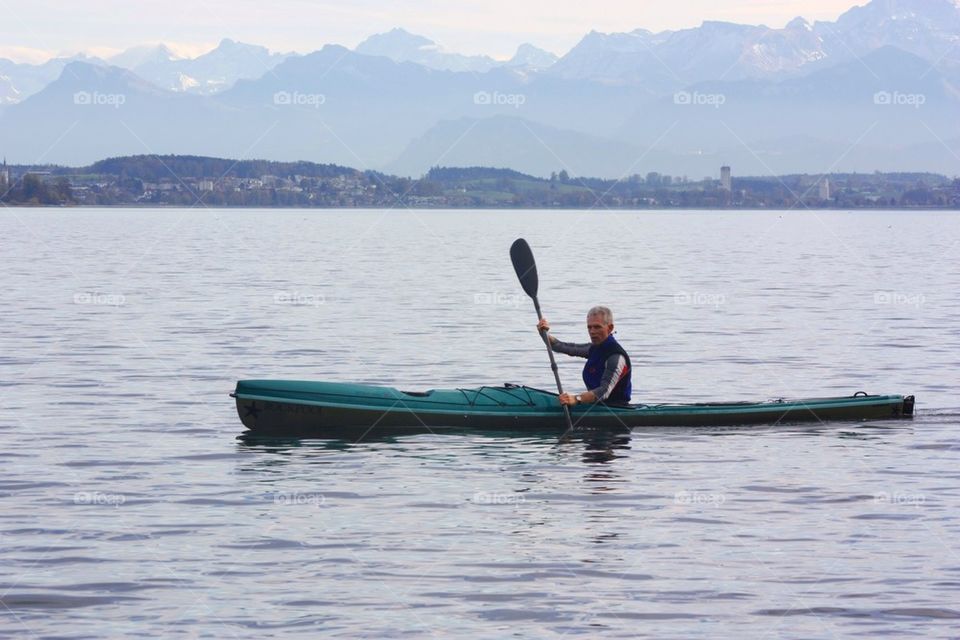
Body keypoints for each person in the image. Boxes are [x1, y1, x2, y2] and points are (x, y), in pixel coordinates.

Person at [537, 306, 632, 407]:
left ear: (610, 328)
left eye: (597, 327)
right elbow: (560, 346)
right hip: (594, 406)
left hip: (616, 408)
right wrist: (544, 333)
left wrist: (576, 399)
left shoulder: (616, 356)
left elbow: (604, 391)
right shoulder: (594, 348)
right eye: (589, 327)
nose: (592, 331)